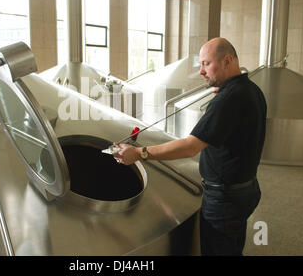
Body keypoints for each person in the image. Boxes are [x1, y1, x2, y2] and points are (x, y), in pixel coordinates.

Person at [114, 37, 267, 256]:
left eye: (206, 64)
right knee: (232, 248)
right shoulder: (252, 90)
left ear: (227, 61)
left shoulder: (229, 99)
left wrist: (139, 153)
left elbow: (190, 147)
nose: (202, 71)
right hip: (245, 189)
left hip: (224, 198)